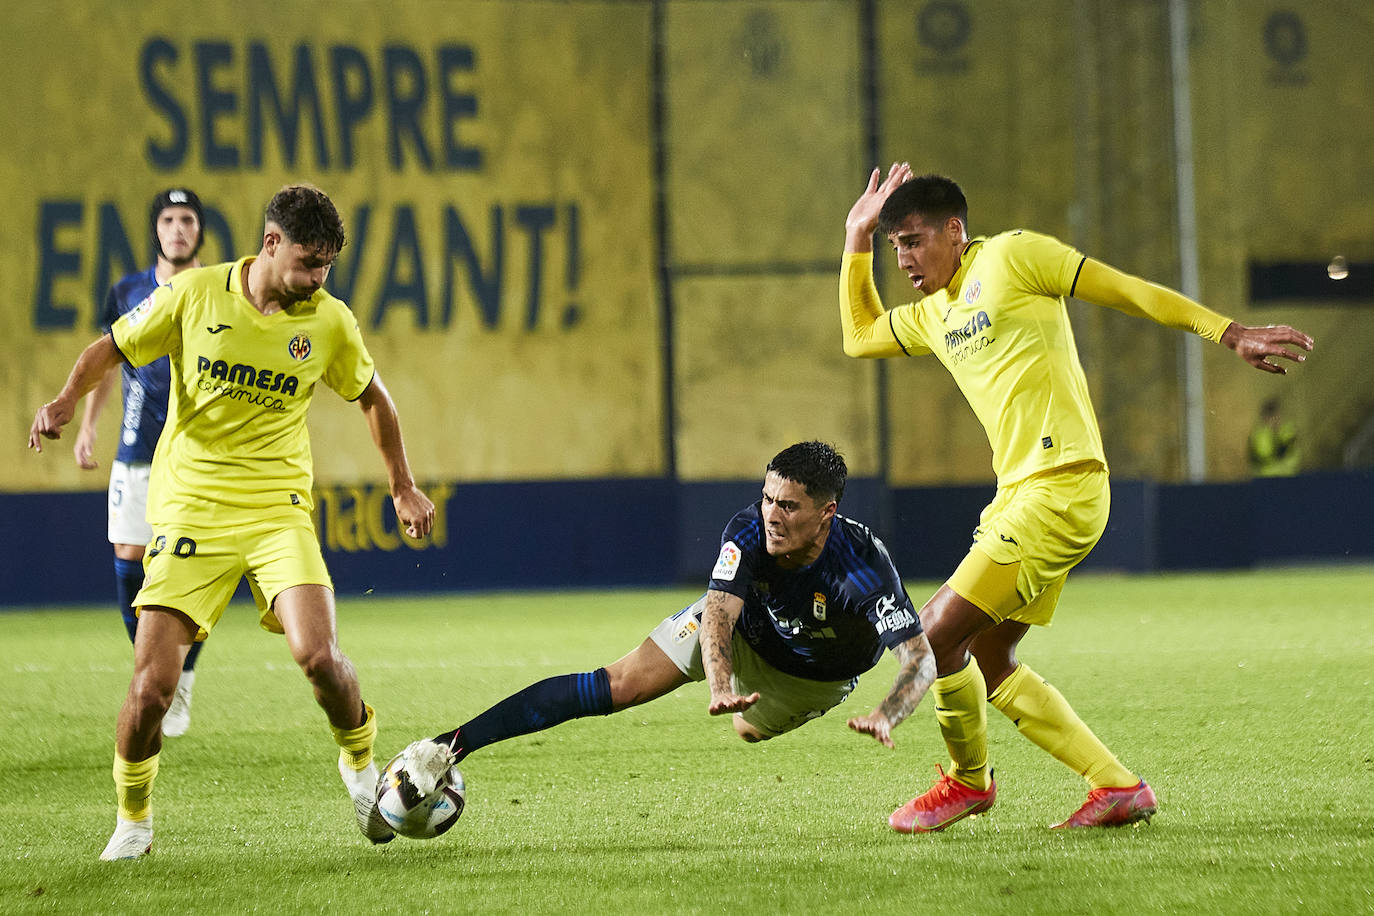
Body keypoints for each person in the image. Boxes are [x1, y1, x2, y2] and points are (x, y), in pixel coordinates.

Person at [839, 164, 1314, 832]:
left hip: (1062, 489)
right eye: (896, 248)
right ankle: (1117, 787)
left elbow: (1125, 292)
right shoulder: (930, 316)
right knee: (989, 656)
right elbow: (859, 336)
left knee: (934, 632)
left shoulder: (1014, 256)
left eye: (914, 240)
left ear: (955, 229)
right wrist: (856, 238)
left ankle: (967, 783)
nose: (906, 259)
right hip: (1018, 498)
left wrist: (1228, 332)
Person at [29, 184, 436, 860]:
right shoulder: (193, 295)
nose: (317, 280)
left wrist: (403, 486)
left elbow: (373, 398)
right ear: (270, 244)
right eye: (309, 263)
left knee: (321, 660)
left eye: (327, 267)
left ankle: (361, 765)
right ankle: (134, 819)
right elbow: (112, 346)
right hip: (192, 510)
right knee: (151, 690)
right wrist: (68, 398)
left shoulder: (328, 321)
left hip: (278, 511)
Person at [391, 442, 936, 806]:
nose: (772, 514)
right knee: (618, 682)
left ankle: (749, 707)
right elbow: (719, 612)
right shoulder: (748, 531)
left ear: (827, 512)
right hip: (745, 632)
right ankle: (448, 746)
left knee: (745, 730)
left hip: (810, 678)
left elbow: (918, 658)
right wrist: (719, 684)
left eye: (790, 506)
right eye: (768, 498)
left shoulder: (861, 564)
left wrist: (889, 712)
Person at [74, 188, 208, 737]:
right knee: (129, 557)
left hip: (196, 452)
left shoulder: (215, 287)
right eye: (168, 220)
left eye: (188, 220)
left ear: (200, 230)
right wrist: (86, 424)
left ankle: (182, 676)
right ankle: (158, 672)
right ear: (156, 229)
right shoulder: (127, 291)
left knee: (187, 568)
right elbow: (108, 362)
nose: (177, 229)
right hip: (136, 447)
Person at [1248, 397, 1300, 477]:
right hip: (1267, 478)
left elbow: (1291, 450)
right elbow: (1264, 454)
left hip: (1290, 476)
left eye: (1277, 415)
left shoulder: (1287, 430)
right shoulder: (1260, 436)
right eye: (1272, 416)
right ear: (1265, 418)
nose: (1275, 419)